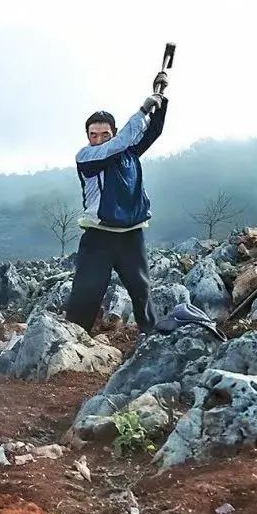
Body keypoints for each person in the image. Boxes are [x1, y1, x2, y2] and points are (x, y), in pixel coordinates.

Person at [65, 71, 169, 336]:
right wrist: (143, 108)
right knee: (86, 292)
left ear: (112, 133)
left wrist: (161, 99)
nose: (98, 139)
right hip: (99, 235)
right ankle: (72, 339)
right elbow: (123, 140)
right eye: (93, 134)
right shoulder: (87, 157)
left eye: (104, 134)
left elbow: (153, 130)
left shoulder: (129, 153)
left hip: (131, 235)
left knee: (141, 290)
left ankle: (151, 338)